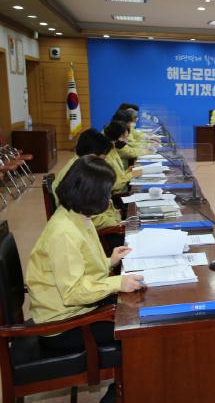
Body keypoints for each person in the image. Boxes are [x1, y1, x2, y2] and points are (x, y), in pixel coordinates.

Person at [26, 156, 144, 403]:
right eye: (105, 192)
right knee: (137, 334)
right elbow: (73, 293)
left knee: (137, 312)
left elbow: (79, 267)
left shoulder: (75, 215)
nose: (108, 197)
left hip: (76, 309)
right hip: (63, 325)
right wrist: (117, 283)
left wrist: (110, 260)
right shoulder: (63, 233)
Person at [53, 128, 122, 231]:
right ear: (92, 155)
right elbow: (89, 215)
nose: (105, 162)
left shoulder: (78, 165)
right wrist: (116, 222)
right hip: (87, 226)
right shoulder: (83, 174)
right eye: (103, 158)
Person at [104, 121, 143, 193]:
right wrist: (132, 174)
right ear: (118, 137)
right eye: (125, 137)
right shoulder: (107, 155)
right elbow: (114, 185)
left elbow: (117, 175)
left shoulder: (113, 150)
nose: (126, 141)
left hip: (123, 190)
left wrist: (128, 171)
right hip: (117, 195)